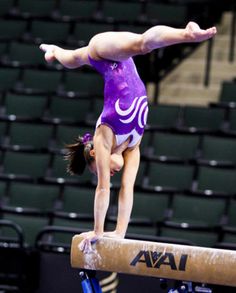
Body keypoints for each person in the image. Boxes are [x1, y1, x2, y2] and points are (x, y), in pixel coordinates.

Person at [40, 21, 217, 253]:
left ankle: (186, 33)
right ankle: (54, 50)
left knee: (142, 45)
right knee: (72, 58)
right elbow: (126, 189)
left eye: (97, 167)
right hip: (115, 59)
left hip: (104, 50)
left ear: (93, 153)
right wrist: (120, 232)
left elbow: (103, 188)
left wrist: (98, 231)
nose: (109, 171)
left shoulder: (104, 135)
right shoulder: (133, 146)